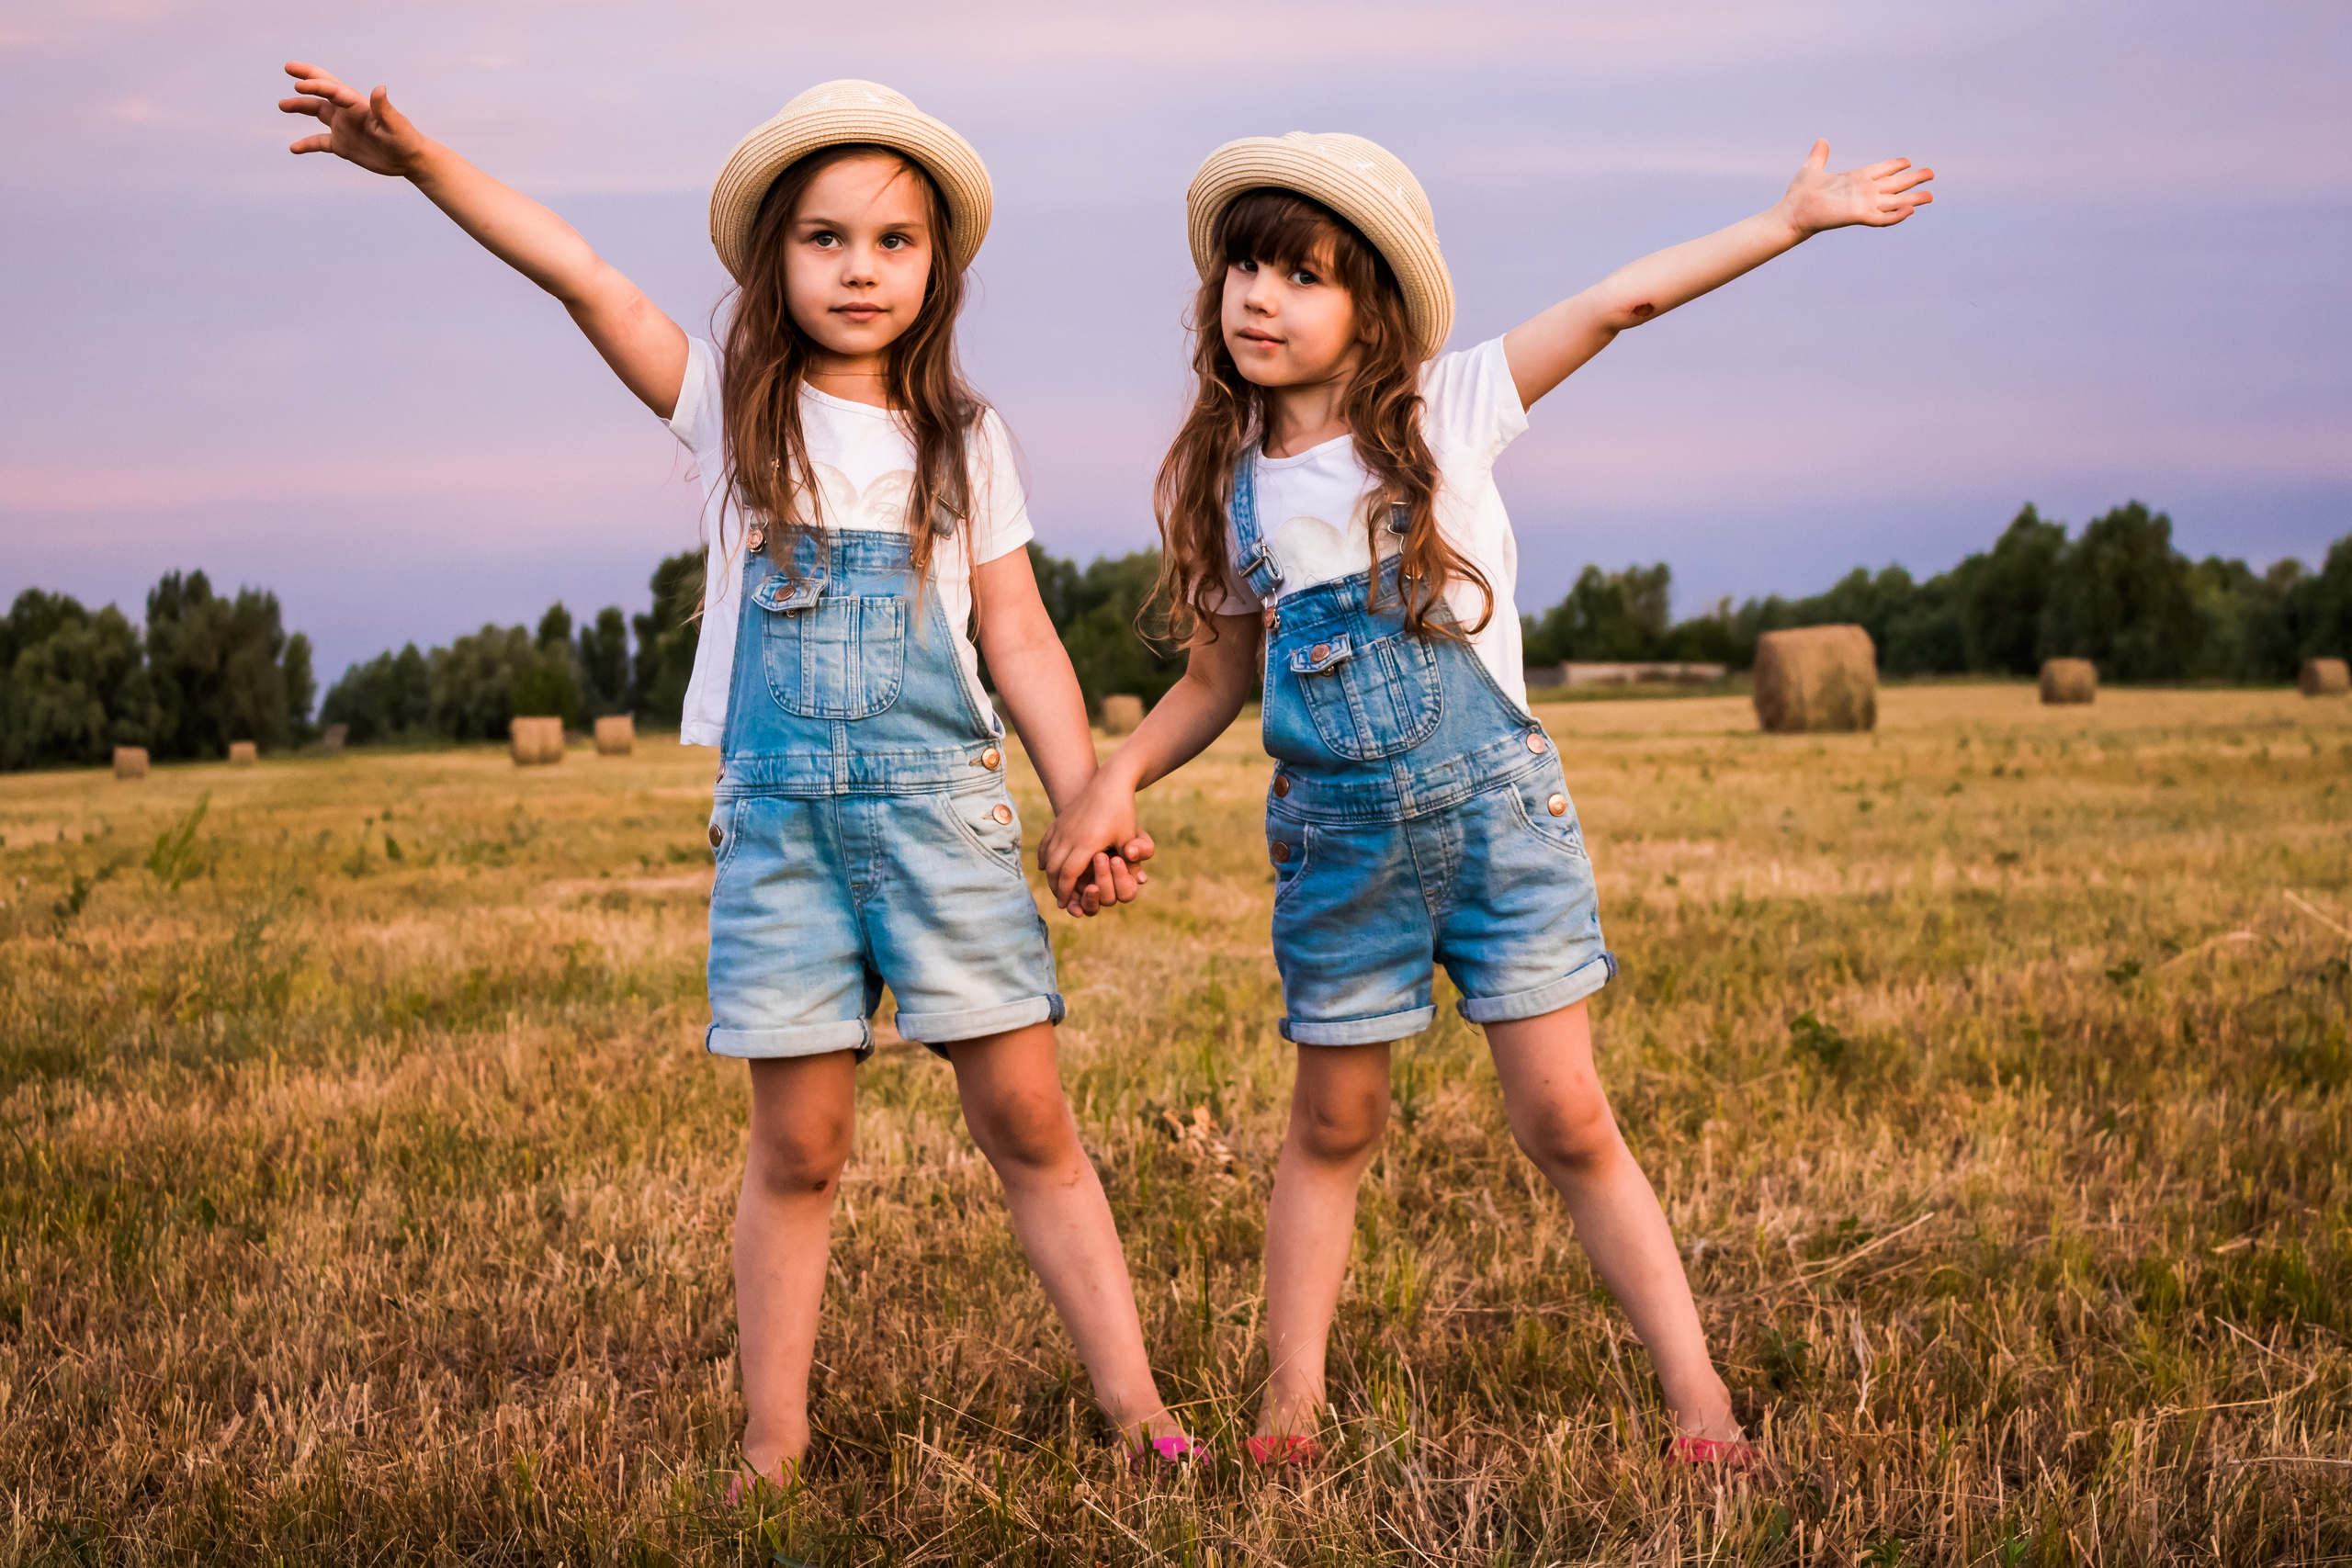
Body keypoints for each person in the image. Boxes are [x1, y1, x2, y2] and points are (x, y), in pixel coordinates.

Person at [278, 64, 1196, 1481]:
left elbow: (1017, 634)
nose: (860, 268)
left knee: (1028, 1122)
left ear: (937, 266)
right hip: (782, 841)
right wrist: (423, 163)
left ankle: (1135, 1406)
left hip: (943, 824)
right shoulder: (731, 414)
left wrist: (1089, 796)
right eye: (825, 238)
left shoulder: (966, 442)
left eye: (893, 240)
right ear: (775, 258)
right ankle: (774, 1439)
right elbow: (582, 276)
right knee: (800, 1149)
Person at [1043, 129, 1932, 1467]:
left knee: (1566, 1120)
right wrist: (1114, 774)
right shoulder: (1229, 488)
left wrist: (1790, 222)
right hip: (1338, 848)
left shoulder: (1445, 412)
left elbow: (1620, 303)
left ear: (1374, 310)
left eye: (1304, 276)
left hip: (1501, 829)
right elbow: (1219, 677)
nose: (1261, 298)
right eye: (1245, 270)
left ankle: (1700, 1407)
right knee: (1331, 1126)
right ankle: (1291, 1414)